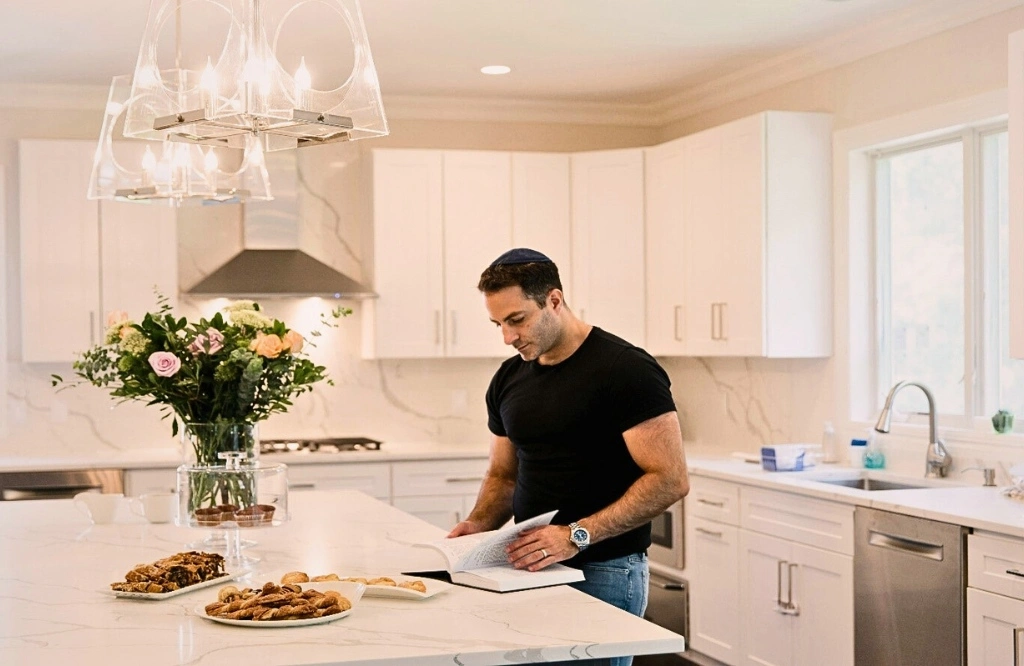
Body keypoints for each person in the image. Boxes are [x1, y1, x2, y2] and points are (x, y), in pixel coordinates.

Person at [448, 247, 690, 666]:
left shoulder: (625, 369)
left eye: (517, 319)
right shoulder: (509, 377)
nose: (508, 337)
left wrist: (576, 534)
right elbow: (504, 476)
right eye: (498, 324)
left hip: (604, 570)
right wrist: (477, 526)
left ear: (554, 301)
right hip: (528, 569)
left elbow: (670, 479)